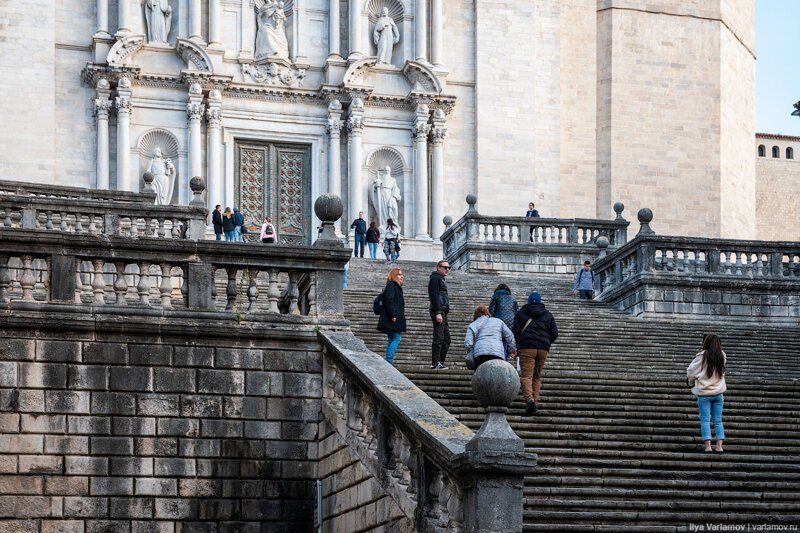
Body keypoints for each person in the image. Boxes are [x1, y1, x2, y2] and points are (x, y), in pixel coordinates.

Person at [513, 291, 558, 415]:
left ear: (528, 301)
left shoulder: (521, 313)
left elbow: (515, 332)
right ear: (539, 301)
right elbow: (554, 333)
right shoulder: (548, 314)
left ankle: (529, 400)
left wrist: (517, 346)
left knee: (527, 375)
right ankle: (536, 401)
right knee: (537, 376)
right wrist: (546, 342)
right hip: (543, 348)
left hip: (527, 347)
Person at [687, 334, 727, 453]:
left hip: (704, 394)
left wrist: (691, 381)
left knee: (705, 420)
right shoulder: (722, 355)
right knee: (718, 420)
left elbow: (690, 371)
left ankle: (708, 447)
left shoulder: (701, 357)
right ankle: (719, 446)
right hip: (718, 393)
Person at [465, 305, 516, 370]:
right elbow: (509, 336)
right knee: (497, 375)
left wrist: (471, 351)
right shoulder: (498, 321)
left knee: (481, 375)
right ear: (487, 312)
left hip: (479, 355)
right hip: (497, 353)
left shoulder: (473, 324)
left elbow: (468, 343)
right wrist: (512, 350)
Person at [377, 268, 406, 365]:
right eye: (399, 274)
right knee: (397, 338)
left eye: (401, 274)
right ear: (394, 276)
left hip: (393, 317)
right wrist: (392, 315)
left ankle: (389, 360)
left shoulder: (395, 287)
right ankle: (389, 360)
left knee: (392, 338)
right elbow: (388, 300)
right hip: (392, 317)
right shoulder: (391, 285)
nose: (401, 276)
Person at [428, 260, 451, 370]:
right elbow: (434, 296)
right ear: (438, 267)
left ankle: (440, 361)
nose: (447, 269)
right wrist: (438, 312)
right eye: (445, 267)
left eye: (448, 267)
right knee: (439, 337)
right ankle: (435, 363)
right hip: (438, 310)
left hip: (443, 311)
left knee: (447, 339)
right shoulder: (435, 278)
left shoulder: (440, 279)